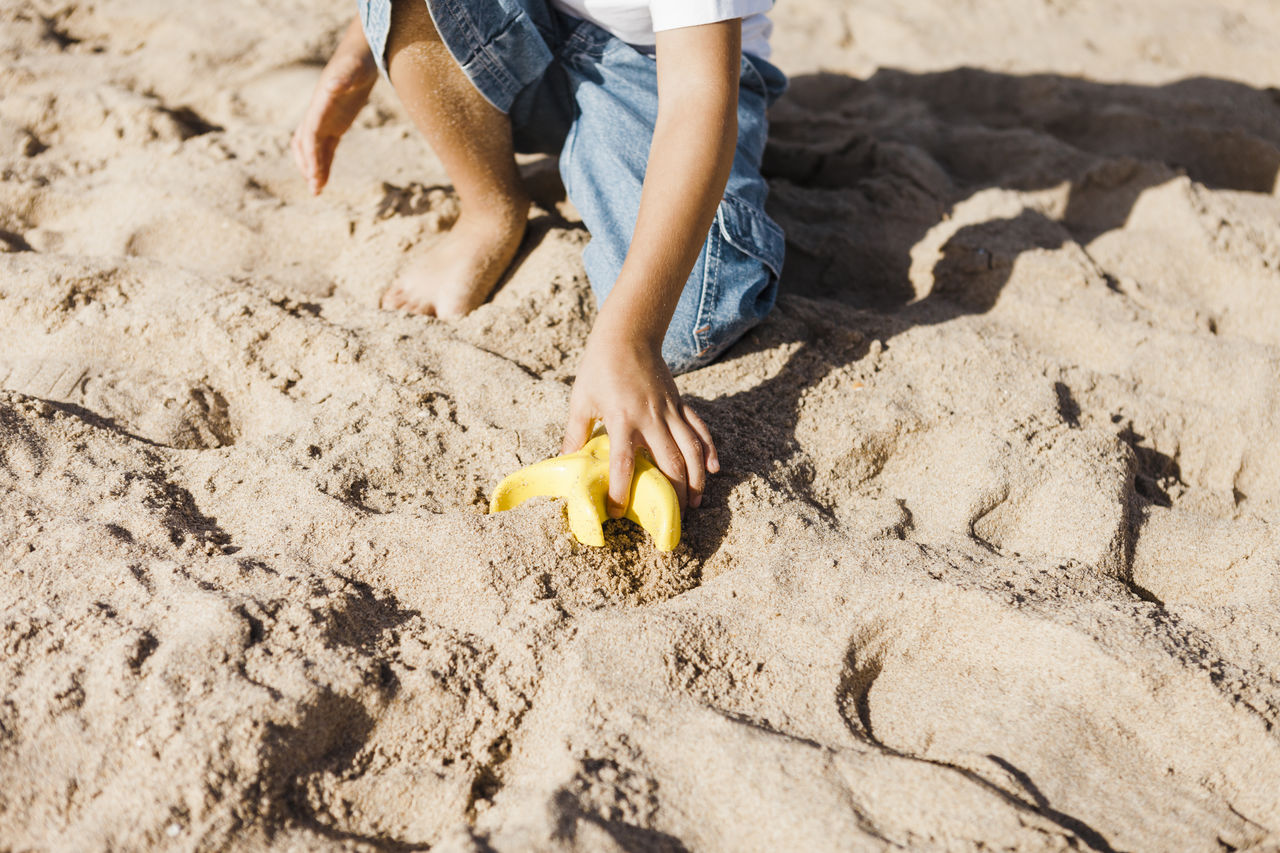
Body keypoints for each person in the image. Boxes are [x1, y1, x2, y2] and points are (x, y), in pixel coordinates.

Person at [291, 0, 787, 525]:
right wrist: (358, 53)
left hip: (660, 72)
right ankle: (488, 208)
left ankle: (588, 158)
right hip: (525, 34)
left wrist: (631, 337)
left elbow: (696, 99)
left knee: (691, 316)